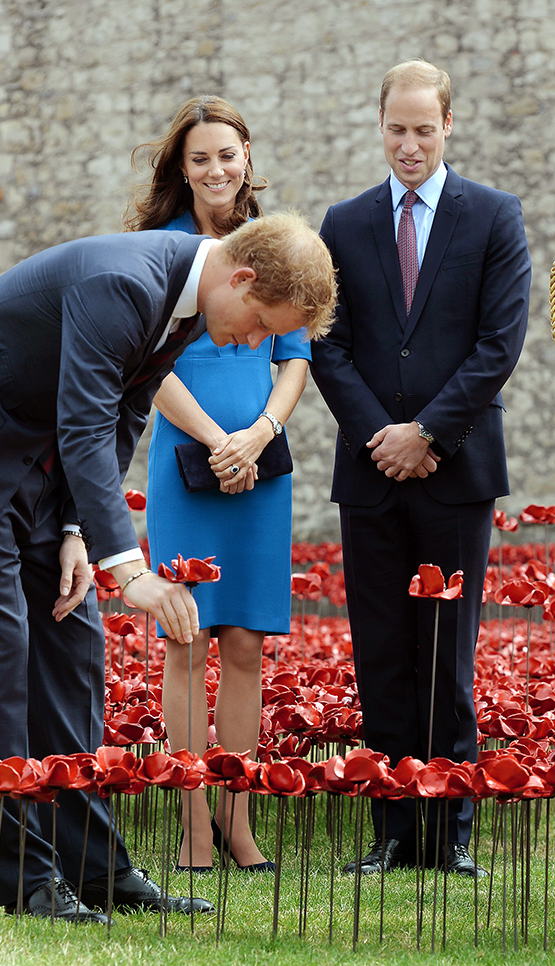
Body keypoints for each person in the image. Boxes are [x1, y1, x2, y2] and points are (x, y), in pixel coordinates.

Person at [0, 211, 335, 920]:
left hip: (38, 464)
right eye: (262, 321)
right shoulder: (124, 282)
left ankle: (97, 869)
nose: (258, 342)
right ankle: (24, 884)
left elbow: (123, 416)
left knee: (73, 648)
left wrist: (79, 530)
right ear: (241, 277)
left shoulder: (189, 301)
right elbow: (83, 420)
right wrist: (131, 571)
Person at [311, 59, 531, 877]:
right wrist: (381, 435)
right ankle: (394, 828)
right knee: (382, 649)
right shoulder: (344, 222)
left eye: (424, 129)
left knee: (450, 647)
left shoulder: (496, 218)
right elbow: (326, 345)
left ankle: (452, 829)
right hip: (371, 474)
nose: (410, 144)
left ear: (449, 126)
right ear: (380, 125)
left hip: (457, 469)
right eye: (397, 129)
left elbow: (500, 344)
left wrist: (428, 434)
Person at [126, 95, 311, 873]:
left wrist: (261, 432)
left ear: (246, 157)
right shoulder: (159, 248)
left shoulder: (275, 247)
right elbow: (144, 366)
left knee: (243, 647)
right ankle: (193, 822)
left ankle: (239, 823)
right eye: (199, 157)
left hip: (260, 471)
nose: (215, 170)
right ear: (182, 166)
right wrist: (214, 441)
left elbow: (295, 356)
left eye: (227, 155)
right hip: (186, 467)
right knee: (186, 641)